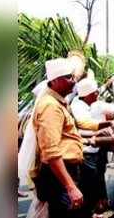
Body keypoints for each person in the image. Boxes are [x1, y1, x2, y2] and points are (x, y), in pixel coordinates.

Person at [70, 78, 114, 216]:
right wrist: (102, 129)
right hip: (84, 151)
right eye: (94, 92)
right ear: (87, 94)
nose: (97, 94)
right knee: (88, 183)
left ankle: (96, 206)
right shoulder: (77, 106)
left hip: (98, 149)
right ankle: (87, 210)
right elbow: (83, 124)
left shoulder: (95, 103)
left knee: (98, 177)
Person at [31, 58, 84, 218]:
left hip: (62, 173)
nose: (73, 81)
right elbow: (51, 152)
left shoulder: (57, 103)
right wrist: (70, 187)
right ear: (54, 80)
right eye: (69, 77)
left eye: (73, 76)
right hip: (58, 176)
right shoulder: (50, 107)